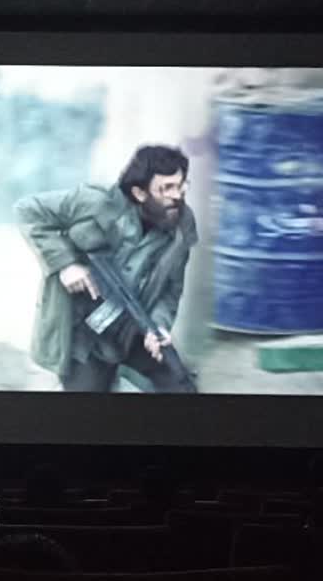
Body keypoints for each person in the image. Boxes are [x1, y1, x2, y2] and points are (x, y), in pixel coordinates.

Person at [14, 143, 198, 393]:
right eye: (167, 188)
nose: (177, 195)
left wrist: (159, 326)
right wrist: (66, 264)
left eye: (181, 185)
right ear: (140, 193)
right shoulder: (95, 202)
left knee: (180, 383)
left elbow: (171, 289)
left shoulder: (182, 224)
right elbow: (27, 210)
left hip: (136, 326)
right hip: (85, 338)